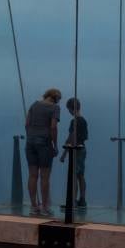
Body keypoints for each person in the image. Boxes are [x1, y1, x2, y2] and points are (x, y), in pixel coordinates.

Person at [25, 88, 62, 216]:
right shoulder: (54, 108)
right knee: (45, 177)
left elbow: (27, 123)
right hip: (44, 144)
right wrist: (55, 145)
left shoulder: (34, 105)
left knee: (32, 175)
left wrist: (31, 137)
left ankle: (33, 207)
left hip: (30, 142)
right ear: (56, 98)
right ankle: (45, 207)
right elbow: (53, 127)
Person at [60, 97, 88, 209]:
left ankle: (73, 201)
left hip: (75, 150)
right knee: (81, 175)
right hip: (82, 148)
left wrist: (64, 154)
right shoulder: (83, 120)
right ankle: (82, 199)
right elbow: (84, 136)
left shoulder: (74, 121)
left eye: (68, 110)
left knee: (74, 176)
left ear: (71, 109)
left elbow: (72, 137)